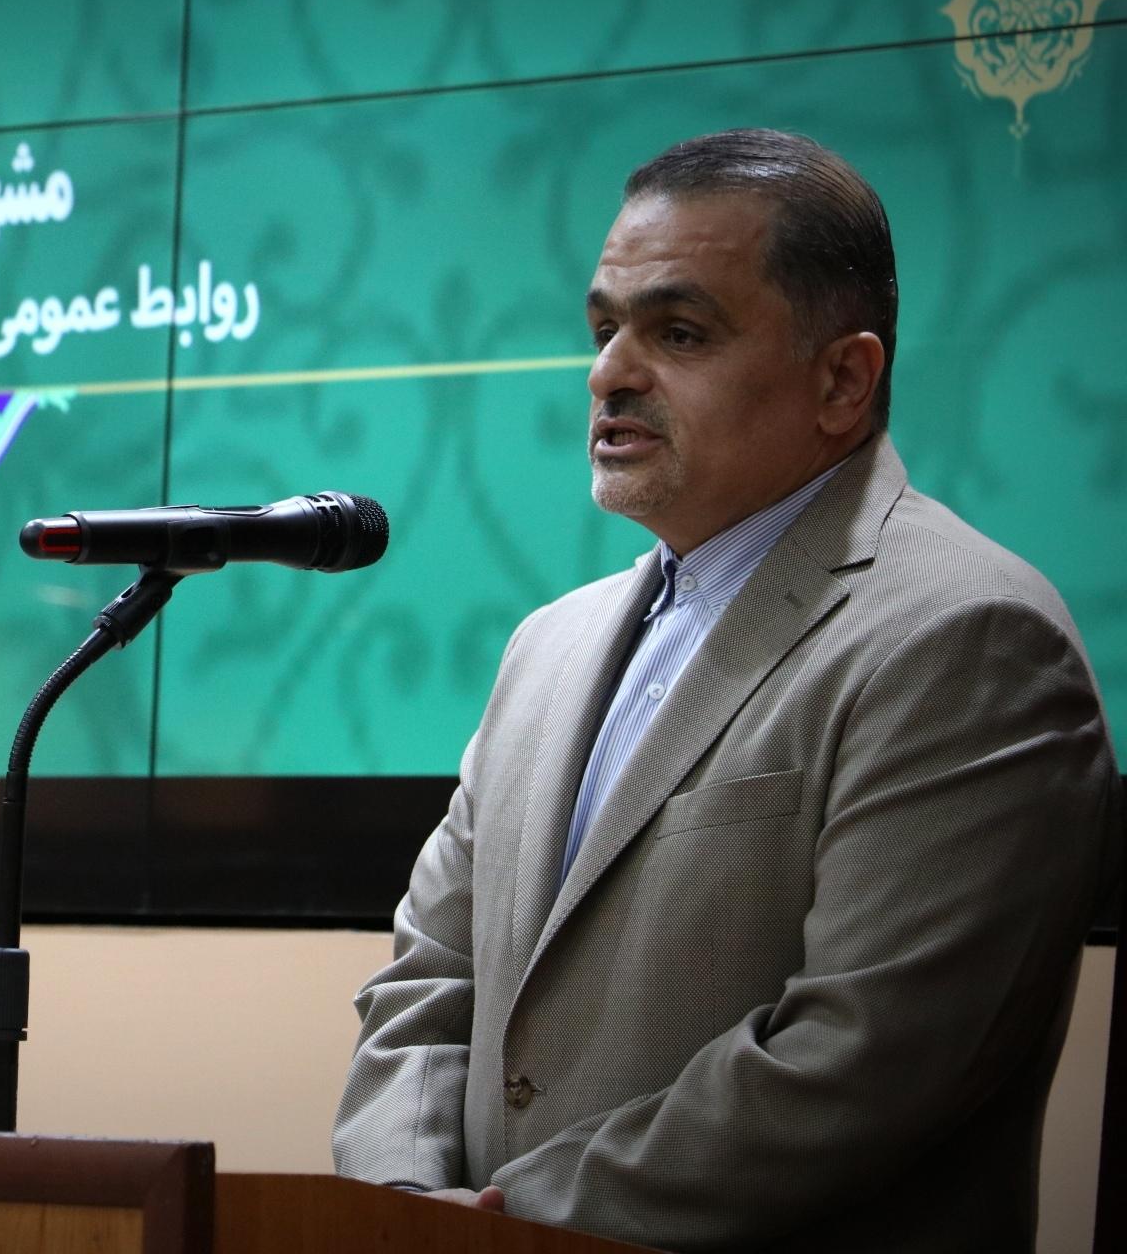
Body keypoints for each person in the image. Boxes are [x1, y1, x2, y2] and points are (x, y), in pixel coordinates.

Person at [331, 128, 1119, 1253]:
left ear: (843, 380)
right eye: (604, 329)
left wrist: (511, 1228)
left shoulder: (968, 637)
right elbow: (430, 977)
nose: (608, 373)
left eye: (680, 332)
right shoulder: (548, 646)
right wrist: (400, 1202)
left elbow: (856, 1062)